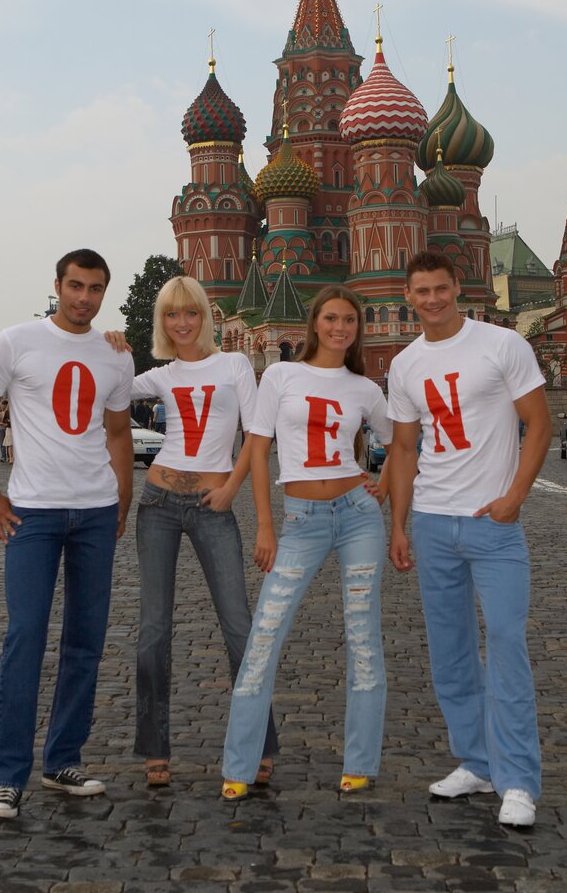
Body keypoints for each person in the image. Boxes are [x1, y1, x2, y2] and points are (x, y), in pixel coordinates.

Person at [0, 249, 134, 821]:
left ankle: (63, 760)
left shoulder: (116, 355)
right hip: (33, 513)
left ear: (105, 292)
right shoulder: (16, 342)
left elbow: (116, 433)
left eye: (96, 289)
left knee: (85, 641)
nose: (85, 298)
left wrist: (122, 498)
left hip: (94, 512)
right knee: (26, 637)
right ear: (58, 285)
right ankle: (7, 777)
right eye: (76, 286)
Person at [386, 251, 552, 828]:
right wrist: (400, 525)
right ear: (408, 296)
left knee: (506, 644)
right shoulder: (405, 364)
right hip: (433, 521)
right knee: (451, 653)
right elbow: (404, 449)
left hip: (492, 523)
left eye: (440, 288)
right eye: (421, 291)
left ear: (458, 288)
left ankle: (519, 780)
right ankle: (477, 762)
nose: (432, 299)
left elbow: (539, 421)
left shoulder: (502, 345)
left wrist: (515, 498)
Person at [105, 276, 278, 788]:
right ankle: (154, 748)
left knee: (239, 626)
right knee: (153, 629)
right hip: (158, 500)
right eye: (172, 315)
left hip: (212, 502)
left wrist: (232, 489)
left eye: (191, 313)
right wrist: (111, 346)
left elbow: (256, 435)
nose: (182, 323)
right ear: (163, 323)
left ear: (205, 316)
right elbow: (105, 390)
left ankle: (259, 740)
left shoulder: (235, 365)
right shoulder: (161, 375)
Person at [221, 285, 392, 801]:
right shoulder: (280, 375)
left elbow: (401, 442)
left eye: (349, 321)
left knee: (363, 638)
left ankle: (360, 762)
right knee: (265, 636)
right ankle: (239, 764)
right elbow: (257, 449)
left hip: (358, 516)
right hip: (299, 520)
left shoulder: (364, 388)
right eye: (332, 319)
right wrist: (265, 525)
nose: (340, 328)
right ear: (315, 323)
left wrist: (381, 486)